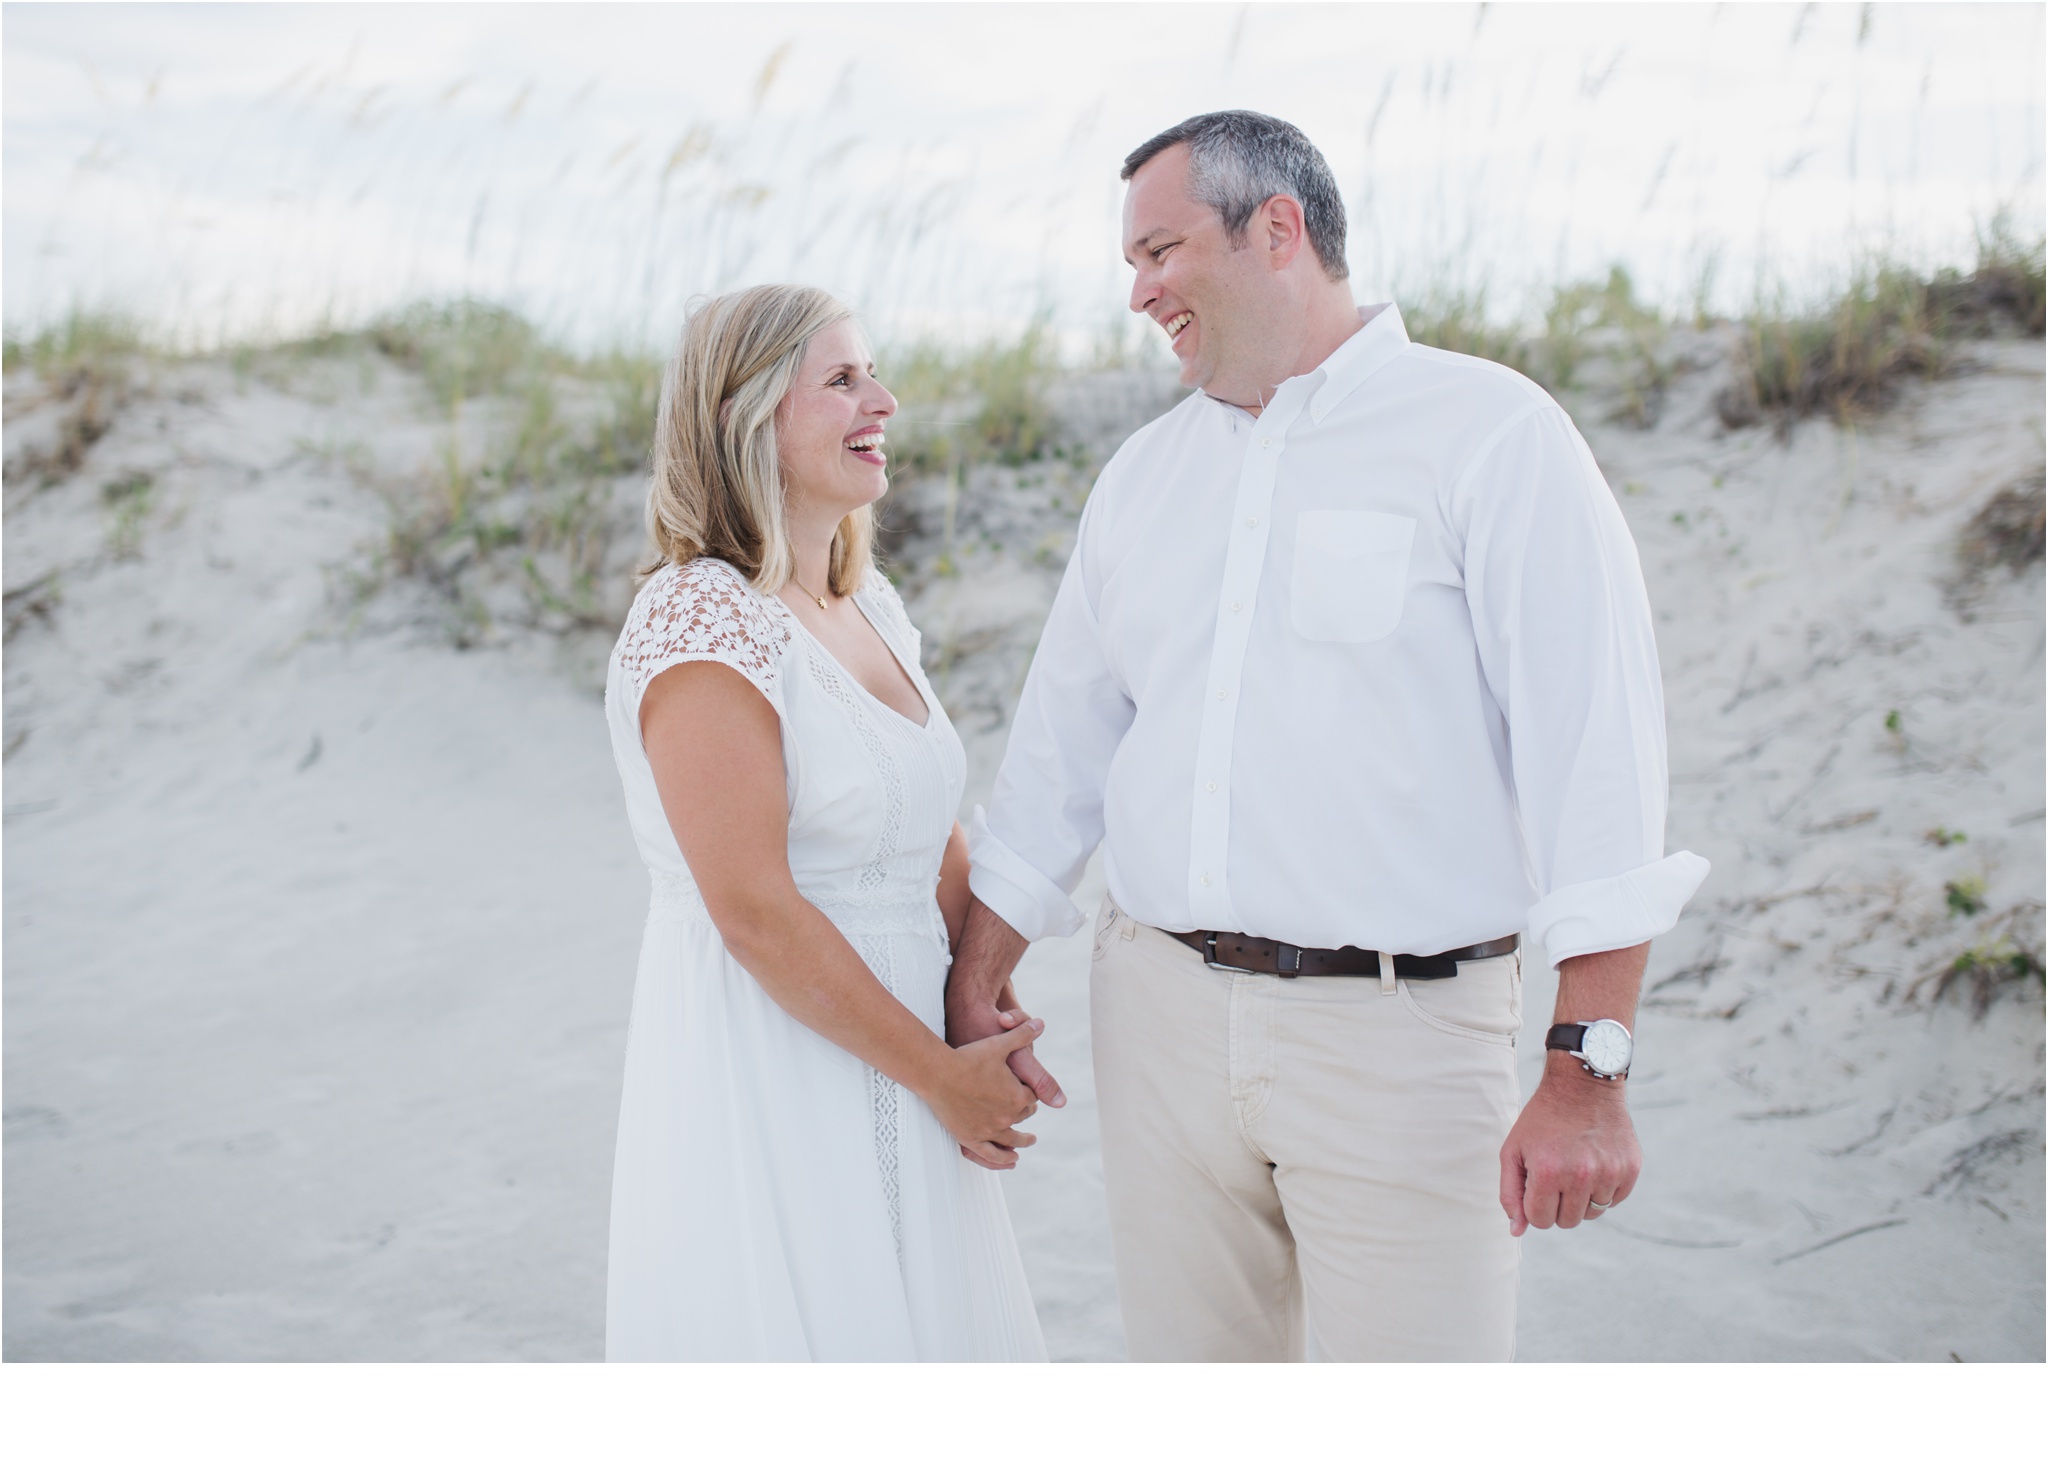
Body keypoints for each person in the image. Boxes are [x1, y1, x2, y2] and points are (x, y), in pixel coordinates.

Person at [947, 111, 1709, 1362]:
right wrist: (978, 972)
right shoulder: (1140, 476)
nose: (1137, 293)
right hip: (1156, 1024)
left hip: (1400, 1045)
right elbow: (1057, 757)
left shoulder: (1490, 434)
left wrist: (1588, 1069)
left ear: (1278, 228)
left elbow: (1598, 765)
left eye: (1158, 250)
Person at [601, 283, 1047, 1361]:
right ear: (743, 414)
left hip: (905, 1050)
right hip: (775, 1060)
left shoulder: (868, 606)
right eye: (841, 380)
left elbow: (921, 820)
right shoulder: (701, 611)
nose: (882, 401)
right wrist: (937, 1074)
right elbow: (751, 908)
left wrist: (976, 999)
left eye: (875, 373)